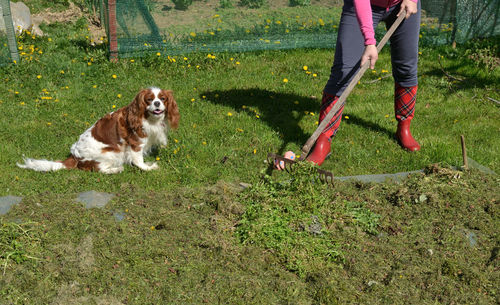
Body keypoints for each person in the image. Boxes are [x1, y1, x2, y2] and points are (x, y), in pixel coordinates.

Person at [306, 0, 421, 166]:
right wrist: (369, 41)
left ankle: (404, 127)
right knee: (343, 72)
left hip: (401, 3)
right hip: (362, 5)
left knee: (406, 67)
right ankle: (323, 139)